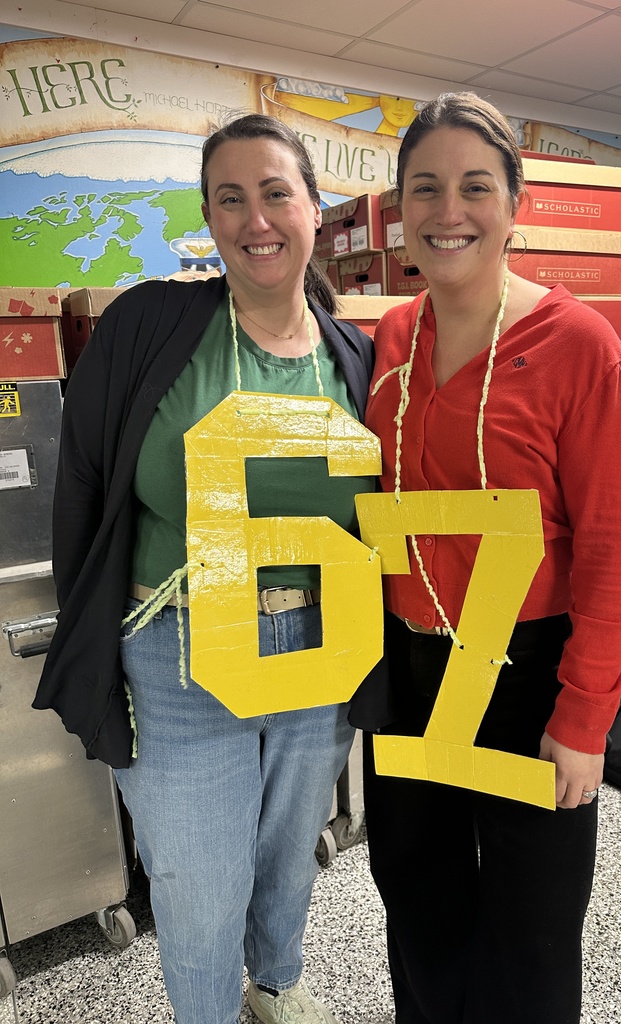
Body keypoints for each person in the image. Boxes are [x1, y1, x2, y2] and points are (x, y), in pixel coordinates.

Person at [35, 113, 388, 1024]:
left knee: (286, 854)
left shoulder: (356, 356)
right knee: (198, 882)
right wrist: (92, 651)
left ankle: (274, 985)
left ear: (315, 207)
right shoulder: (151, 327)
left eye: (276, 193)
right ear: (208, 216)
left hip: (317, 647)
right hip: (178, 652)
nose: (255, 218)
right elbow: (81, 485)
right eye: (229, 198)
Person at [363, 92, 621, 1024]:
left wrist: (585, 718)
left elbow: (615, 553)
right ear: (401, 210)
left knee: (532, 926)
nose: (450, 211)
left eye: (475, 187)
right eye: (427, 188)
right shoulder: (394, 339)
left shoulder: (578, 347)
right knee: (418, 901)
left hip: (530, 673)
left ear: (513, 204)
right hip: (409, 669)